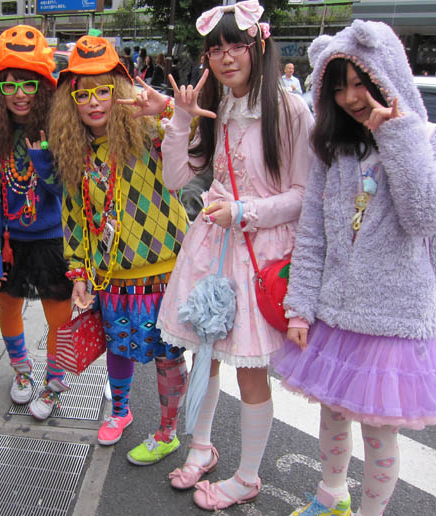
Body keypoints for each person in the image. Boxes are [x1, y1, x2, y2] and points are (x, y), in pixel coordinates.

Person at [275, 20, 436, 516]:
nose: (351, 97)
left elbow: (425, 213)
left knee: (380, 433)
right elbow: (312, 235)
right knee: (332, 417)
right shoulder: (334, 151)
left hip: (395, 323)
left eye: (360, 82)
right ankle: (330, 498)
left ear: (388, 74)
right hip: (335, 313)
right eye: (338, 88)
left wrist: (396, 132)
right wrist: (300, 308)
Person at [155, 0, 314, 509]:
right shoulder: (218, 107)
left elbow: (302, 195)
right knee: (204, 353)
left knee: (249, 370)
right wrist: (180, 120)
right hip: (211, 249)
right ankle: (201, 447)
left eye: (235, 46)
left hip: (256, 254)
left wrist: (244, 210)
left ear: (257, 47)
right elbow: (177, 178)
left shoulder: (289, 110)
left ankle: (247, 476)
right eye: (215, 49)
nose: (225, 58)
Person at [50, 32, 189, 465]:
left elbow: (206, 133)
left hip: (167, 269)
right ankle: (122, 411)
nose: (93, 102)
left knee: (169, 355)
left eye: (103, 91)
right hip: (113, 276)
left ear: (121, 91)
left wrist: (167, 106)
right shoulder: (74, 151)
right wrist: (77, 274)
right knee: (119, 348)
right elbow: (73, 218)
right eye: (83, 94)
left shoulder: (149, 131)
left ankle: (167, 430)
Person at [0, 26, 73, 421]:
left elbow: (65, 192)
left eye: (29, 85)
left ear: (43, 89)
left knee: (58, 317)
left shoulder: (61, 128)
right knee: (9, 304)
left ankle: (54, 383)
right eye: (9, 85)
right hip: (9, 239)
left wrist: (43, 160)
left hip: (52, 239)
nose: (18, 94)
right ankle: (21, 370)